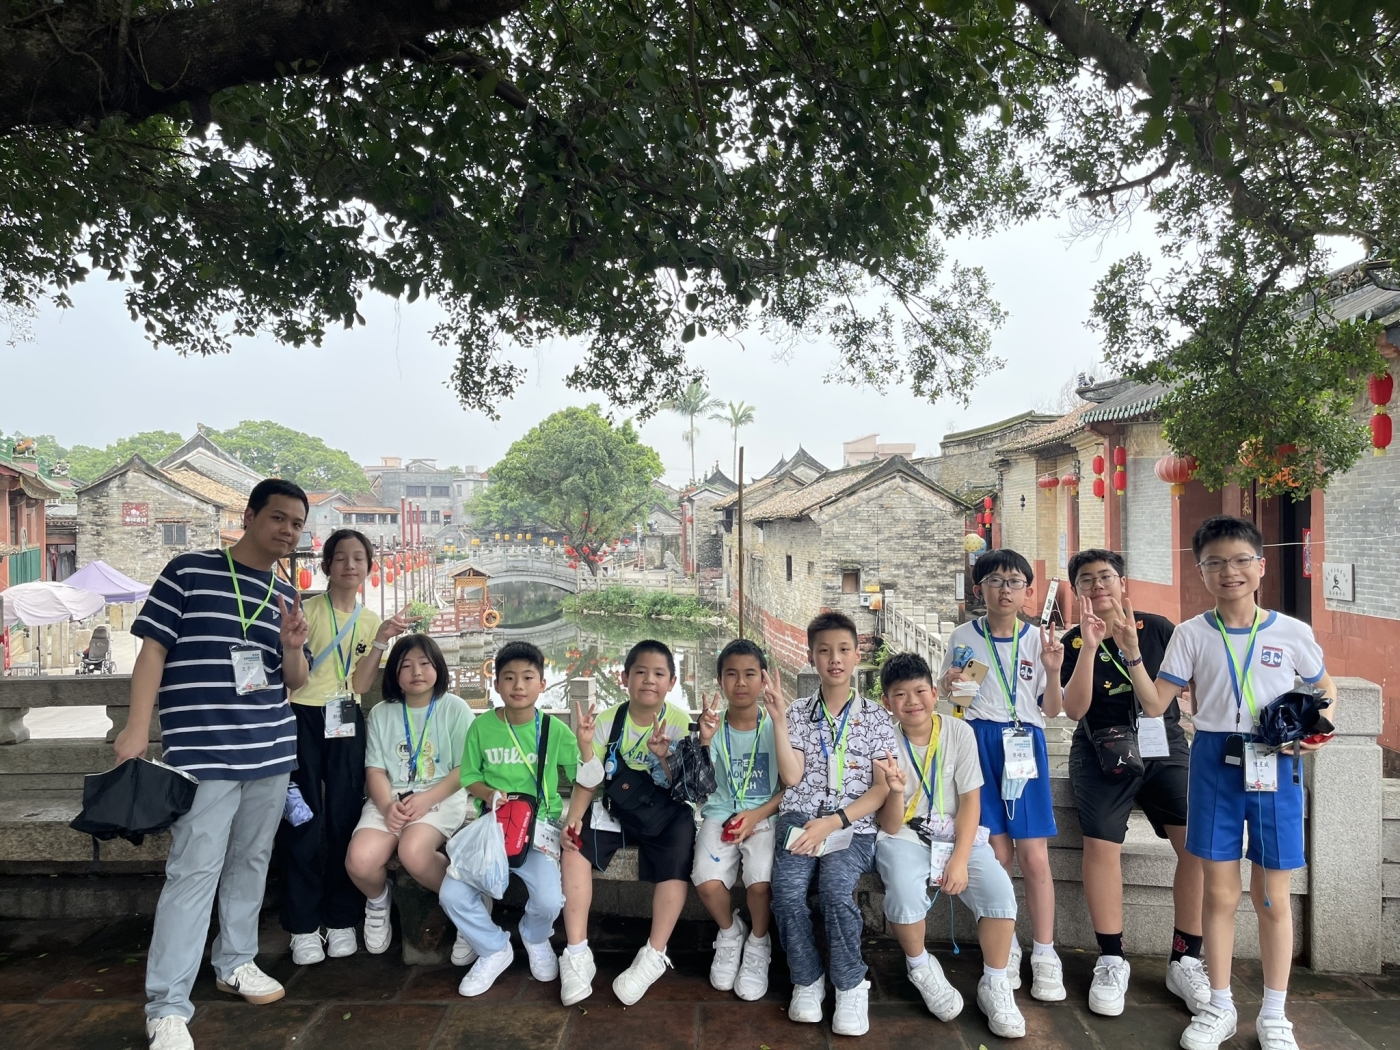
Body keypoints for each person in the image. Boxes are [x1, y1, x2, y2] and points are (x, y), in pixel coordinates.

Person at [116, 479, 312, 1050]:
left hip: (270, 749)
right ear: (249, 517)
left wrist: (293, 645)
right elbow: (153, 650)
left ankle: (236, 961)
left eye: (297, 524)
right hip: (204, 752)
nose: (288, 531)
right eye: (278, 518)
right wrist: (136, 727)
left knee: (251, 861)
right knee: (194, 871)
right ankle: (167, 1005)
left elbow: (295, 681)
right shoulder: (189, 571)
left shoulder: (284, 592)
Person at [1155, 517, 1337, 1050]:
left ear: (1260, 565)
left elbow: (1324, 689)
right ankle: (1220, 1005)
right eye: (1214, 562)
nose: (1228, 571)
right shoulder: (1190, 633)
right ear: (1201, 572)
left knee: (1274, 896)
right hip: (1214, 758)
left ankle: (1275, 1014)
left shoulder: (1291, 631)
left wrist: (1314, 732)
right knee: (1219, 892)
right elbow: (1155, 701)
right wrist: (1129, 649)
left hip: (1274, 759)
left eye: (1239, 560)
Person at [1060, 548, 1208, 1017]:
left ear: (1122, 583)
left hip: (1163, 742)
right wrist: (1088, 645)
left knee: (1197, 842)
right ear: (1077, 591)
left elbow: (1173, 696)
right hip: (1100, 745)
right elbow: (1075, 710)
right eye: (1086, 580)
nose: (1098, 585)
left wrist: (1131, 649)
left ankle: (1185, 958)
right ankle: (1111, 958)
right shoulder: (1071, 641)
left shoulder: (1159, 628)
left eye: (1106, 576)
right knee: (1102, 843)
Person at [278, 529, 414, 965]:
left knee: (343, 817)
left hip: (346, 718)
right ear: (326, 566)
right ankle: (302, 925)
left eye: (359, 558)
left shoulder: (369, 620)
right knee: (301, 819)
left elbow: (360, 682)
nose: (350, 565)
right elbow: (293, 678)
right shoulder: (306, 611)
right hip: (303, 716)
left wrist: (382, 639)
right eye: (341, 558)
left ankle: (341, 918)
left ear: (369, 568)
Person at [874, 652, 1026, 1039]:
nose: (912, 701)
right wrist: (894, 791)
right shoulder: (883, 741)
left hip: (956, 832)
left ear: (934, 690)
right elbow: (888, 824)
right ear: (887, 701)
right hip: (904, 834)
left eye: (920, 690)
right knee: (903, 890)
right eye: (900, 694)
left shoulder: (958, 733)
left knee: (999, 890)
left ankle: (995, 982)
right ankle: (920, 966)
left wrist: (959, 860)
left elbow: (971, 802)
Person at [939, 548, 1066, 1001]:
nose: (1005, 590)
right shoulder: (963, 636)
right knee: (996, 854)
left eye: (1014, 582)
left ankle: (1045, 953)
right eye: (995, 581)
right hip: (977, 744)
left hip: (1024, 745)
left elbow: (1053, 709)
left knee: (1034, 856)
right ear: (980, 589)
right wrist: (948, 686)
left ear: (1028, 590)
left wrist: (1053, 672)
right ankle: (1005, 945)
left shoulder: (1039, 640)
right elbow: (955, 704)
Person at [443, 641, 603, 996]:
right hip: (493, 829)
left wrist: (585, 744)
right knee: (452, 894)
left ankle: (535, 936)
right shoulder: (482, 727)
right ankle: (493, 948)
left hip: (539, 829)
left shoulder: (553, 730)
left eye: (528, 677)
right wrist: (489, 794)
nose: (518, 685)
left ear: (542, 684)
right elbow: (469, 776)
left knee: (549, 899)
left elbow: (588, 777)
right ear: (496, 683)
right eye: (509, 677)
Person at [771, 611, 897, 1037]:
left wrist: (834, 822)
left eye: (843, 649)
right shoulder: (797, 712)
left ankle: (849, 983)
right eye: (824, 651)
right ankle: (807, 978)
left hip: (852, 825)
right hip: (801, 816)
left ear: (858, 654)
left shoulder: (876, 718)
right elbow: (792, 778)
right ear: (811, 657)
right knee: (787, 892)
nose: (834, 659)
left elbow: (881, 790)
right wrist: (778, 721)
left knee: (834, 890)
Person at [559, 639, 695, 1006]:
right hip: (617, 808)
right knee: (573, 847)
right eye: (640, 672)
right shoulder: (607, 721)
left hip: (664, 812)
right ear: (624, 678)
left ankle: (653, 954)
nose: (649, 680)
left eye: (659, 674)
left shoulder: (680, 723)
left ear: (672, 682)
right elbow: (588, 780)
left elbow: (687, 788)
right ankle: (576, 952)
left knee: (678, 856)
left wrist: (664, 757)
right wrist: (572, 820)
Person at [344, 633, 475, 958]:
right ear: (394, 674)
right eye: (406, 665)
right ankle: (378, 901)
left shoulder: (455, 708)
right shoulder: (381, 713)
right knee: (360, 861)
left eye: (424, 663)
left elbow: (466, 769)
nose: (416, 672)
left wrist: (428, 799)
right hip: (390, 798)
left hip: (440, 796)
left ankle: (468, 905)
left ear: (438, 668)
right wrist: (387, 805)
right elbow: (375, 770)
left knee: (414, 852)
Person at [691, 639, 783, 1000]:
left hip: (764, 813)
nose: (741, 683)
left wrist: (757, 814)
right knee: (705, 878)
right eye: (731, 674)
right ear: (720, 680)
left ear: (763, 680)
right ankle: (730, 932)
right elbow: (699, 789)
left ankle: (759, 941)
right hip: (720, 813)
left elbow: (791, 787)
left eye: (750, 674)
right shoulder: (713, 727)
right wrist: (704, 741)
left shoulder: (776, 725)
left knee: (760, 880)